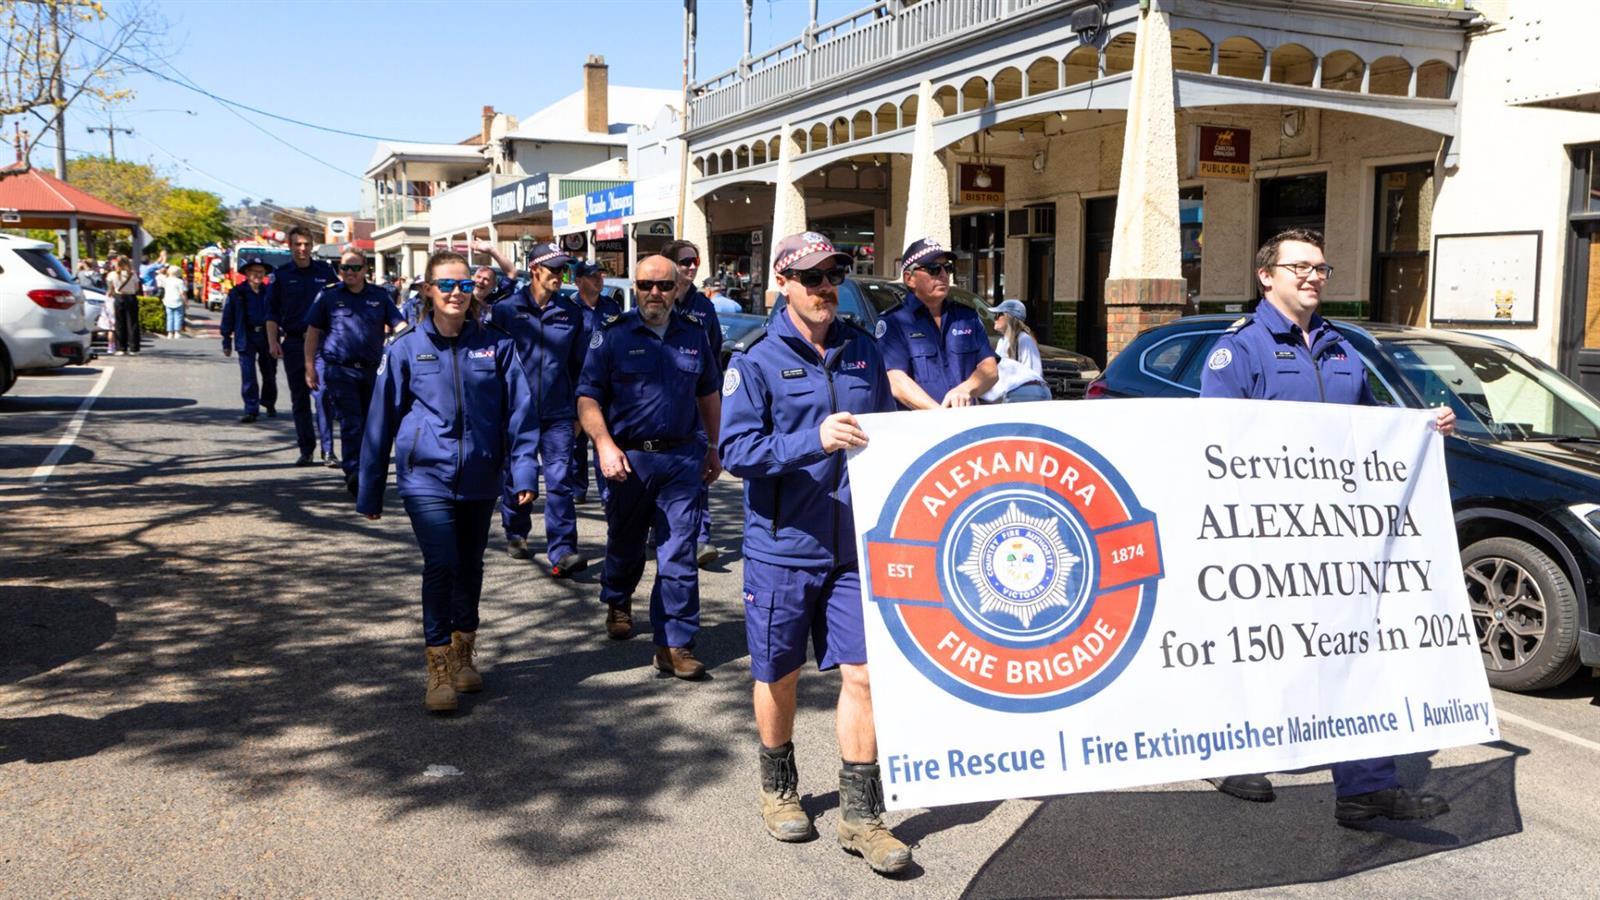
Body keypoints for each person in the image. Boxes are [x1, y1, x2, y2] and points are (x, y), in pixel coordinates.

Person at [1200, 227, 1457, 824]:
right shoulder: (1238, 350)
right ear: (1267, 276)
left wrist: (1421, 426)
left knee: (1353, 648)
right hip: (1262, 535)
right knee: (1254, 650)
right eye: (1300, 267)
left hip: (1337, 536)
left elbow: (1372, 429)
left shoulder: (1343, 349)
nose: (1313, 276)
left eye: (1321, 268)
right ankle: (1232, 749)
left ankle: (1365, 788)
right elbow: (1212, 445)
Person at [719, 233, 909, 874]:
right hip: (783, 547)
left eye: (833, 275)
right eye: (811, 278)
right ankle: (778, 789)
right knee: (779, 673)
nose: (824, 287)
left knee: (864, 674)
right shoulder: (755, 359)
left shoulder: (863, 350)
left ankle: (862, 816)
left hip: (854, 545)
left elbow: (888, 436)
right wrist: (812, 438)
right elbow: (738, 453)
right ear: (782, 283)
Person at [358, 250, 540, 713]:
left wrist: (522, 472)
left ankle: (463, 651)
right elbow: (379, 420)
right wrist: (370, 489)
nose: (455, 292)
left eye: (463, 284)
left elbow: (520, 414)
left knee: (471, 564)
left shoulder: (496, 345)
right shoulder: (403, 348)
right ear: (427, 291)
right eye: (445, 285)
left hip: (480, 476)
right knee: (442, 561)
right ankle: (437, 663)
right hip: (425, 476)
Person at [576, 254, 722, 678]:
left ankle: (674, 643)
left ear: (677, 289)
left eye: (663, 285)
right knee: (626, 541)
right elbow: (587, 397)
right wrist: (603, 445)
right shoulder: (613, 336)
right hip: (628, 459)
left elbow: (709, 394)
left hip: (680, 458)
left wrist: (714, 447)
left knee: (678, 550)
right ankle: (618, 598)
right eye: (645, 285)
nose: (654, 294)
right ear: (634, 288)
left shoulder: (694, 335)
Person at [489, 242, 590, 577]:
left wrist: (579, 411)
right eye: (555, 270)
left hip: (559, 412)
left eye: (564, 270)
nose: (561, 275)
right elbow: (493, 366)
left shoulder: (571, 312)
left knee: (560, 479)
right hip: (515, 412)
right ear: (535, 270)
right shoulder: (505, 311)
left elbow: (581, 366)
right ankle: (516, 530)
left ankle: (562, 549)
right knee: (518, 477)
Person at [305, 250, 405, 496]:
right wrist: (309, 367)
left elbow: (399, 325)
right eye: (344, 268)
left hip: (372, 371)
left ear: (365, 270)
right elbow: (313, 332)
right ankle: (354, 472)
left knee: (374, 424)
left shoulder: (379, 297)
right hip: (340, 370)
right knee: (352, 423)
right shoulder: (329, 296)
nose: (349, 272)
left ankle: (368, 469)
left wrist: (411, 343)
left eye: (355, 268)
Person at [660, 239, 723, 568]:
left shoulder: (704, 306)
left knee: (701, 466)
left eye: (695, 261)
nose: (691, 266)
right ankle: (661, 529)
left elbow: (713, 354)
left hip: (696, 401)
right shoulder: (657, 299)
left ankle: (701, 538)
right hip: (660, 403)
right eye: (684, 261)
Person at [878, 237, 999, 409]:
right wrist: (938, 414)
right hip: (922, 427)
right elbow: (895, 380)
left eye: (947, 268)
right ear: (909, 278)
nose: (943, 275)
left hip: (966, 422)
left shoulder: (966, 317)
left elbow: (990, 369)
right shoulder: (894, 322)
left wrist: (966, 389)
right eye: (933, 269)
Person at [265, 226, 339, 466]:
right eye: (298, 244)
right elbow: (271, 312)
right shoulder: (282, 275)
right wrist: (273, 341)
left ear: (312, 246)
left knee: (323, 395)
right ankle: (306, 449)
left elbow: (339, 303)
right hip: (295, 342)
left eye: (306, 244)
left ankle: (328, 451)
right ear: (290, 246)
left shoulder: (326, 272)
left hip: (322, 343)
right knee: (300, 399)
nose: (303, 249)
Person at [571, 260, 622, 506]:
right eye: (592, 276)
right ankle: (577, 487)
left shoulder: (611, 306)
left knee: (603, 437)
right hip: (576, 382)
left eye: (600, 275)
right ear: (578, 281)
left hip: (603, 384)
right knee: (575, 443)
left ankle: (608, 494)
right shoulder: (569, 308)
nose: (598, 279)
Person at [220, 256, 279, 423]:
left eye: (261, 272)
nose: (258, 275)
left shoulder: (271, 292)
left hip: (267, 337)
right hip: (246, 336)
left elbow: (279, 315)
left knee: (269, 373)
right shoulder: (237, 293)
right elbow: (228, 317)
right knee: (248, 375)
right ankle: (250, 409)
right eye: (254, 271)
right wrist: (226, 340)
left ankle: (269, 403)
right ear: (246, 273)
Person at [981, 298, 1051, 403]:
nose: (995, 318)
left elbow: (1033, 374)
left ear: (1010, 317)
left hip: (1023, 396)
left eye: (999, 314)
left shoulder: (1024, 339)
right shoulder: (1002, 341)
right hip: (1007, 394)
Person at [107, 256, 141, 356]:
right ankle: (134, 348)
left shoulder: (112, 274)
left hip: (119, 297)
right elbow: (137, 288)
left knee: (120, 323)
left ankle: (121, 348)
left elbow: (110, 288)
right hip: (130, 297)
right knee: (132, 323)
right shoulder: (132, 274)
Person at [160, 264, 186, 338]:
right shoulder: (180, 281)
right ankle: (177, 332)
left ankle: (170, 333)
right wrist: (186, 302)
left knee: (169, 317)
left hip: (167, 300)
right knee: (178, 316)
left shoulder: (166, 281)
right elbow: (182, 293)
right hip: (178, 300)